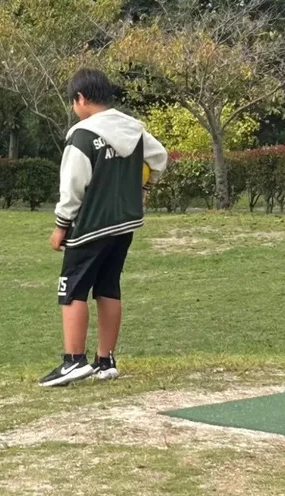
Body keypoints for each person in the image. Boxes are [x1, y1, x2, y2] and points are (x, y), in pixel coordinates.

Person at [40, 69, 168, 388]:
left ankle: (73, 362)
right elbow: (160, 158)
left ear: (81, 98)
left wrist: (61, 225)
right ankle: (105, 361)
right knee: (108, 286)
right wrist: (145, 190)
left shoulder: (82, 134)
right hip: (125, 222)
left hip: (91, 224)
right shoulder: (132, 127)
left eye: (74, 102)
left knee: (72, 289)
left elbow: (73, 186)